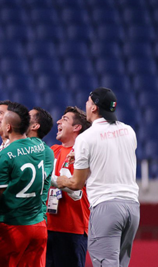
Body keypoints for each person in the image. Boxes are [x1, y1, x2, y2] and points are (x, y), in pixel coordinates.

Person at [56, 88, 140, 267]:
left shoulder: (86, 138)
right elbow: (112, 154)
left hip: (106, 206)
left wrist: (58, 180)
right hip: (132, 208)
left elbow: (77, 183)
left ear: (94, 107)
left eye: (88, 102)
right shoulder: (129, 131)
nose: (86, 105)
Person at [0, 101, 54, 267]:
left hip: (12, 226)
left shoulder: (6, 154)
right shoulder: (43, 149)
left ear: (8, 127)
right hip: (38, 223)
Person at [46, 106, 92, 267]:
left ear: (76, 127)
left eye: (64, 119)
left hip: (73, 230)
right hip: (47, 227)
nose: (58, 121)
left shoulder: (84, 153)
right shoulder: (52, 151)